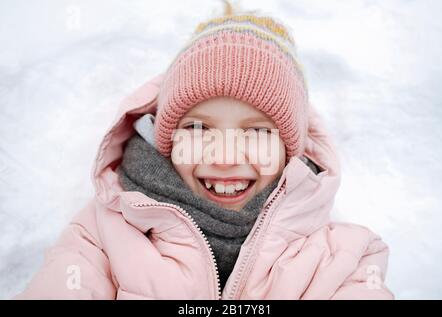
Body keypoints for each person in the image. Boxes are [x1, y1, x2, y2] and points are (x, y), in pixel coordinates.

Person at [15, 2, 394, 299]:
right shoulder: (101, 238)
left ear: (288, 149)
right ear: (167, 138)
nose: (226, 156)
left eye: (257, 131)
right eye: (198, 127)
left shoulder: (342, 260)